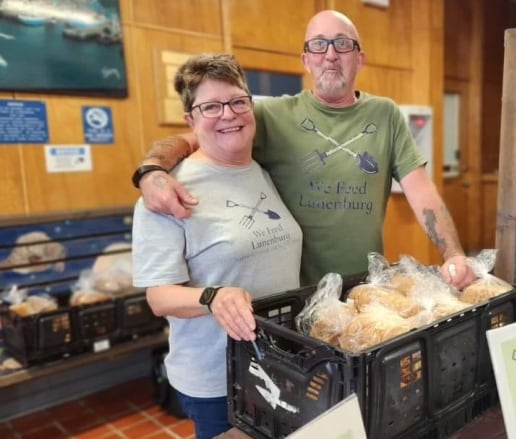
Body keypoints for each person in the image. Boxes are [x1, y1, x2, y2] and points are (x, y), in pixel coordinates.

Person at [133, 10, 476, 289]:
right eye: (318, 45)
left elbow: (422, 191)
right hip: (296, 294)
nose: (330, 54)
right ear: (306, 60)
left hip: (366, 287)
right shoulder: (270, 115)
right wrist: (152, 171)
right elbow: (197, 136)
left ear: (360, 58)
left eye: (342, 44)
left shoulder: (385, 114)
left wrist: (453, 254)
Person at [131, 53, 303, 439]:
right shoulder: (166, 193)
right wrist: (213, 296)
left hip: (280, 362)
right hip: (218, 376)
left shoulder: (260, 170)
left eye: (238, 101)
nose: (229, 114)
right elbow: (158, 297)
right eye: (211, 106)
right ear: (190, 120)